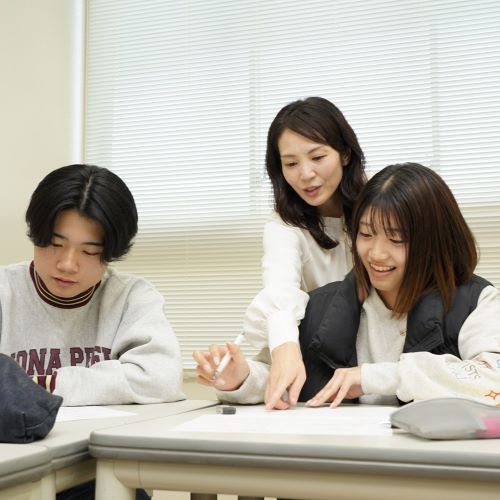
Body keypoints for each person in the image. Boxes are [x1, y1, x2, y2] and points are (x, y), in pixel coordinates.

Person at [195, 163, 500, 409]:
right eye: (366, 235)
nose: (376, 253)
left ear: (434, 241)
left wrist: (371, 378)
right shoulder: (322, 306)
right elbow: (278, 377)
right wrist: (240, 377)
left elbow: (492, 379)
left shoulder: (475, 303)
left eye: (396, 239)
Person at [197, 97, 366, 409]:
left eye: (317, 157)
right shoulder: (284, 227)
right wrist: (245, 373)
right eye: (291, 164)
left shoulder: (381, 210)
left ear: (345, 153)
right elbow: (279, 295)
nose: (305, 174)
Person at [0, 164, 184, 407]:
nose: (67, 265)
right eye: (55, 244)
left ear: (112, 252)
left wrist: (46, 386)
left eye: (89, 251)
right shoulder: (5, 291)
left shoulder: (131, 298)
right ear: (36, 234)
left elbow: (161, 379)